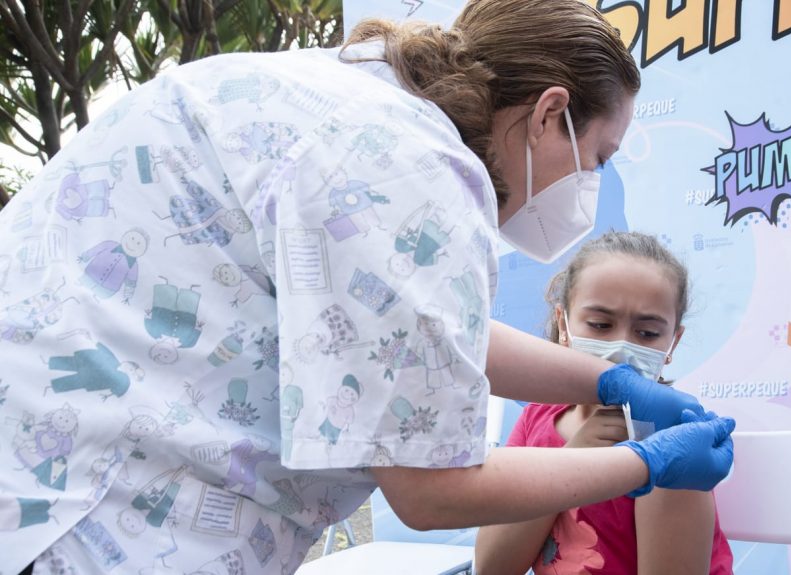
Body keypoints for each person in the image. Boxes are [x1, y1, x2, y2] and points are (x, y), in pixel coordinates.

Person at [0, 1, 734, 572]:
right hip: (87, 511)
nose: (590, 183)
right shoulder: (411, 169)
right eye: (597, 155)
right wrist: (646, 461)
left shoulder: (352, 111)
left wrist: (611, 384)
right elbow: (430, 488)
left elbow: (407, 338)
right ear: (549, 113)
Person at [475, 231, 734, 574]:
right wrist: (571, 463)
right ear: (563, 324)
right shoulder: (537, 418)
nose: (620, 350)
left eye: (647, 333)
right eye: (600, 325)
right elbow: (492, 566)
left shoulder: (672, 446)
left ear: (673, 342)